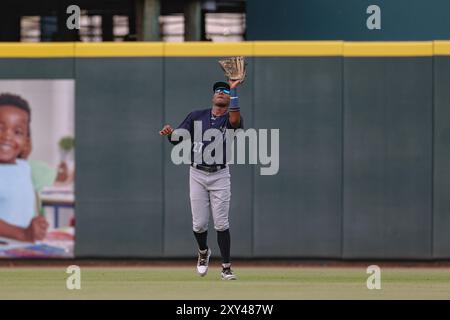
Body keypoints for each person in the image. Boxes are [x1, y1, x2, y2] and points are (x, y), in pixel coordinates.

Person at [160, 80, 243, 280]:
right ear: (213, 96)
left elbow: (234, 120)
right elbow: (177, 139)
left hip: (220, 174)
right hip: (197, 173)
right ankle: (203, 252)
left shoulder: (231, 118)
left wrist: (234, 89)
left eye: (224, 91)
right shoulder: (197, 116)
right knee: (199, 224)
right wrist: (170, 134)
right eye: (218, 91)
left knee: (221, 223)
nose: (221, 93)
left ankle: (226, 267)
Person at [0, 93, 49, 242]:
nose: (7, 136)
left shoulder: (24, 168)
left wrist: (36, 228)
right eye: (0, 128)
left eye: (18, 132)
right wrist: (23, 234)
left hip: (22, 249)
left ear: (26, 141)